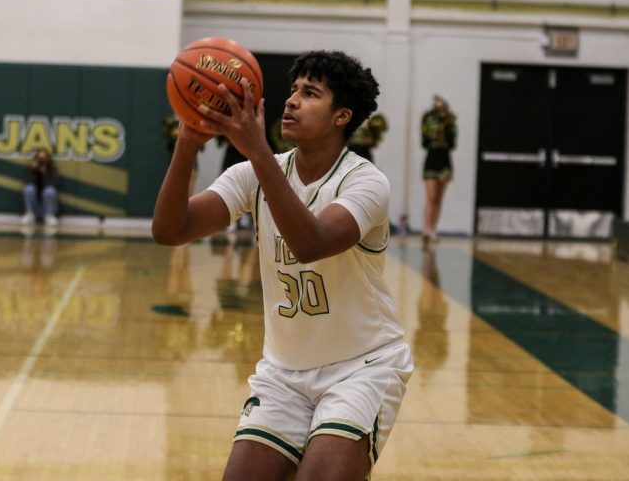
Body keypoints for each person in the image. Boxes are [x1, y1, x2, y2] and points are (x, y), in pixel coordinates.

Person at [153, 50, 413, 480]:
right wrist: (188, 141)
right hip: (283, 372)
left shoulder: (365, 182)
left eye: (310, 94)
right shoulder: (255, 173)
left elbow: (311, 242)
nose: (291, 100)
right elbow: (170, 229)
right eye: (292, 90)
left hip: (362, 367)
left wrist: (257, 151)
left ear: (341, 116)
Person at [420, 95, 457, 247]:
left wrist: (447, 122)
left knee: (439, 199)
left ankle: (433, 229)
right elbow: (424, 141)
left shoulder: (449, 119)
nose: (437, 104)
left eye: (440, 101)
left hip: (444, 158)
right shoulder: (428, 117)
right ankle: (426, 229)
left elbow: (452, 142)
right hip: (432, 157)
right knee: (431, 196)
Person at [21, 149, 59, 227]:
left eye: (43, 159)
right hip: (34, 206)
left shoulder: (52, 170)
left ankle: (49, 216)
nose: (41, 161)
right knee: (29, 189)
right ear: (35, 159)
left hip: (47, 207)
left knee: (50, 191)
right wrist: (33, 170)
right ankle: (29, 215)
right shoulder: (30, 169)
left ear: (48, 159)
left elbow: (53, 185)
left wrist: (44, 174)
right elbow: (27, 183)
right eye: (39, 158)